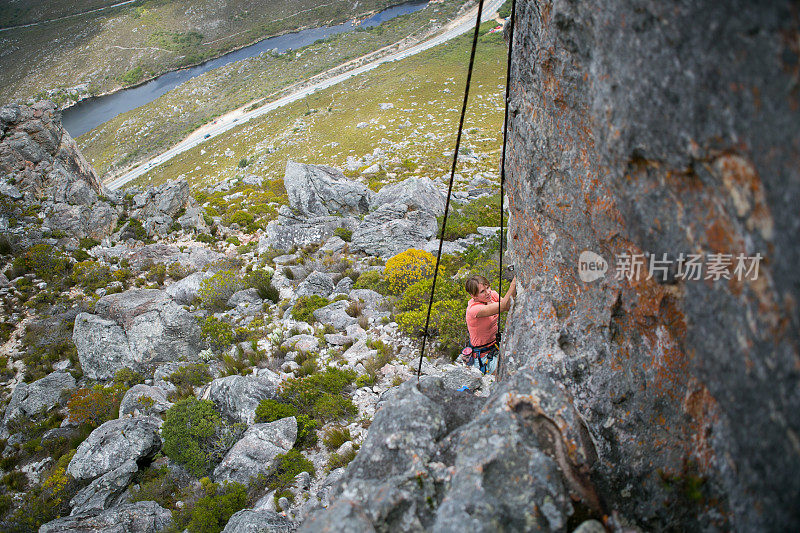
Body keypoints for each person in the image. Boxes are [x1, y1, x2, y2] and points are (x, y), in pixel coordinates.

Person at [463, 274, 516, 374]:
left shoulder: (492, 296)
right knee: (510, 374)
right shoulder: (474, 310)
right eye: (482, 291)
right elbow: (504, 305)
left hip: (496, 347)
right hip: (483, 357)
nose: (488, 292)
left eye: (488, 287)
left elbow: (509, 305)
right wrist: (514, 282)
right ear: (474, 296)